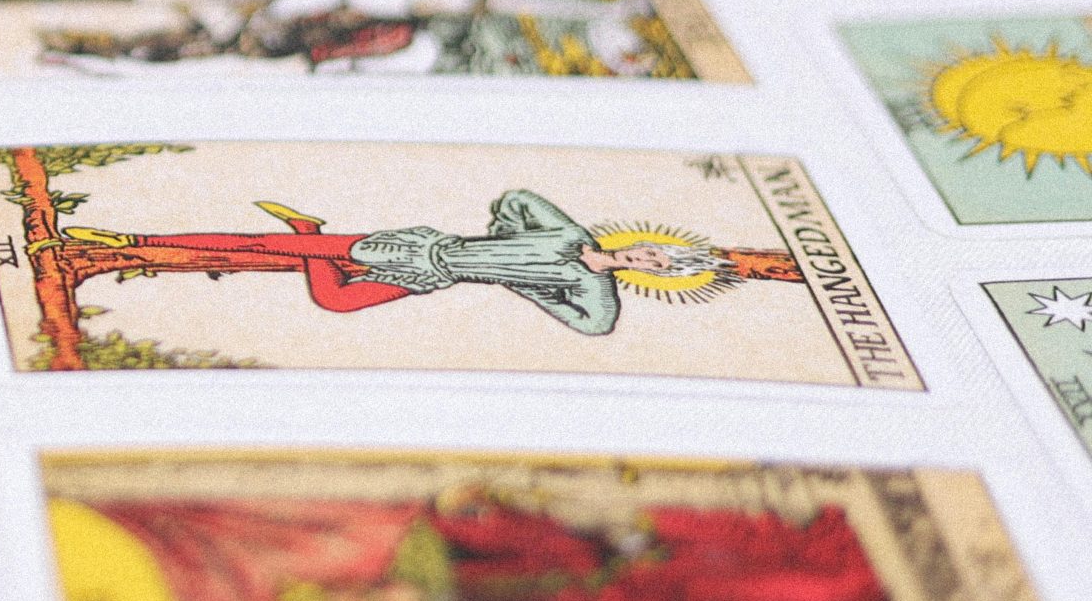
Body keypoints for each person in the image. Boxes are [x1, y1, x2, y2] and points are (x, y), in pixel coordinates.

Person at [44, 192, 730, 335]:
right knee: (264, 247)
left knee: (335, 300)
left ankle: (308, 229)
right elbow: (517, 199)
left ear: (653, 275)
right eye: (654, 249)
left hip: (434, 274)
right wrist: (501, 236)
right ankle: (126, 240)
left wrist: (533, 288)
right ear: (644, 240)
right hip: (417, 244)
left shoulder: (592, 289)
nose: (647, 258)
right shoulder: (568, 233)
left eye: (657, 265)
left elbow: (595, 326)